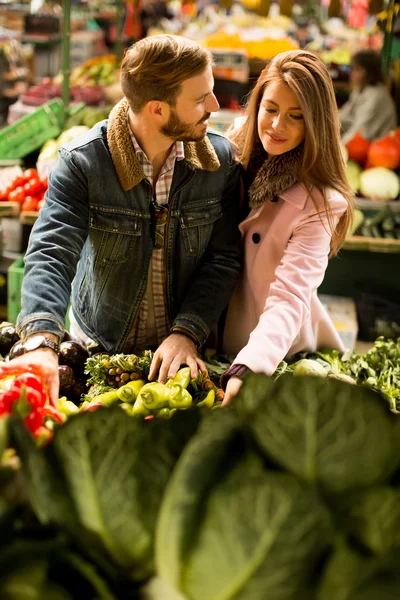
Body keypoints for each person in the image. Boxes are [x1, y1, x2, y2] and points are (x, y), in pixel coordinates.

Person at [0, 34, 242, 404]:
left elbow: (222, 258)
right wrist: (41, 338)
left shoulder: (219, 162)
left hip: (181, 354)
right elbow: (51, 251)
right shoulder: (84, 163)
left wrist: (188, 331)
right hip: (99, 346)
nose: (213, 105)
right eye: (200, 99)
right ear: (158, 109)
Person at [221, 49, 354, 404]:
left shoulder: (321, 201)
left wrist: (250, 365)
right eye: (271, 110)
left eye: (296, 117)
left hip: (271, 354)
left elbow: (290, 297)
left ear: (315, 124)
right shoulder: (227, 153)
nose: (278, 126)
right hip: (205, 335)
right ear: (257, 104)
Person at [338, 49, 397, 146]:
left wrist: (337, 148)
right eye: (352, 69)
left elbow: (360, 132)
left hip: (378, 149)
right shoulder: (360, 90)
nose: (352, 74)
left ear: (371, 72)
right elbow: (343, 117)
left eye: (358, 69)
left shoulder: (376, 96)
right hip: (362, 145)